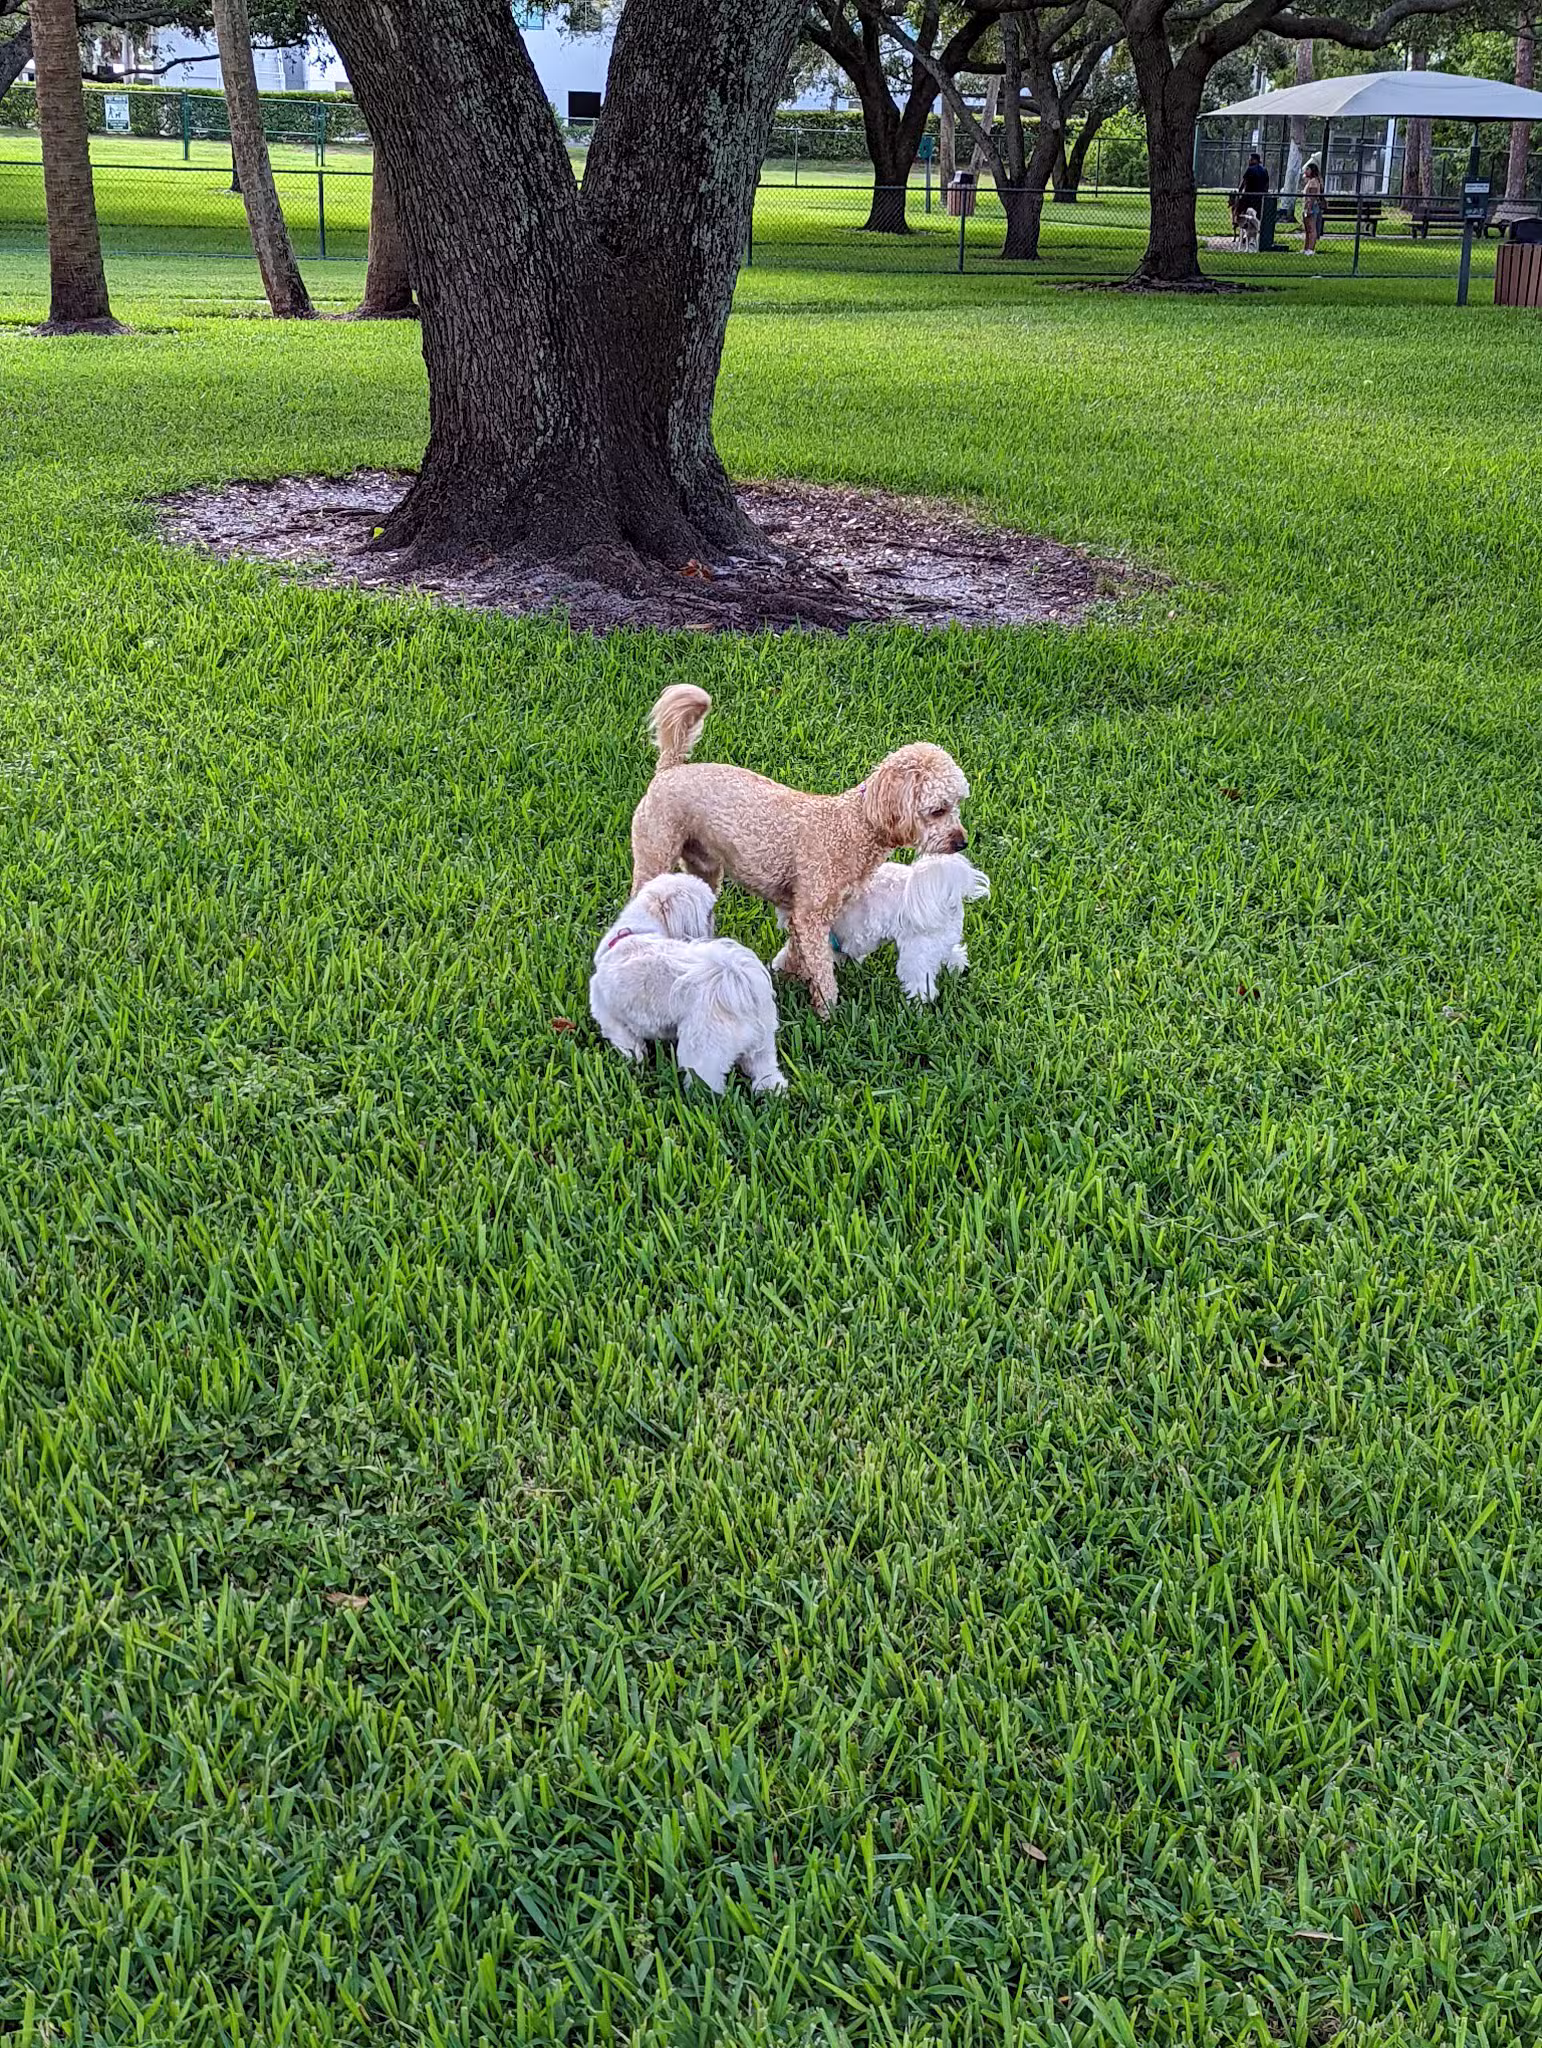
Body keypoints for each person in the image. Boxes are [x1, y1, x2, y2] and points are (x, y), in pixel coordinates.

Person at [1233, 149, 1270, 231]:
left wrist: (1239, 192)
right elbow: (1267, 185)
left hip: (1248, 197)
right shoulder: (1264, 170)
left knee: (1237, 209)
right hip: (1260, 198)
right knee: (1259, 215)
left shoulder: (1250, 169)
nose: (1249, 161)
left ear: (1255, 160)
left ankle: (1236, 222)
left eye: (1250, 159)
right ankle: (1258, 228)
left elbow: (1243, 182)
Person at [1301, 158, 1325, 253]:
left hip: (1311, 206)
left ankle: (1311, 249)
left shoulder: (1314, 181)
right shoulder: (1310, 181)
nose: (1306, 171)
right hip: (1307, 206)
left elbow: (1313, 196)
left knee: (1312, 228)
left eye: (1308, 169)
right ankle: (1306, 248)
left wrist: (1309, 208)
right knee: (1307, 229)